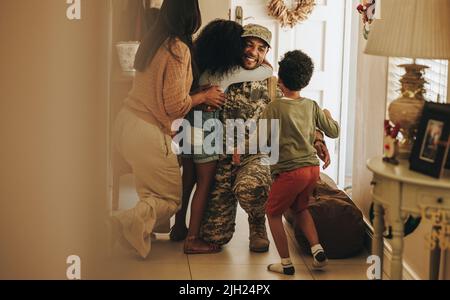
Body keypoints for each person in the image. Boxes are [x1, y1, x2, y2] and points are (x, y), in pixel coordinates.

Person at [199, 24, 331, 253]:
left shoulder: (273, 84)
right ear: (239, 46)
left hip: (255, 156)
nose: (253, 51)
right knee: (213, 237)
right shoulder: (222, 75)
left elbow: (300, 115)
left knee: (254, 186)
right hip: (220, 158)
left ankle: (257, 222)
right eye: (248, 44)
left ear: (266, 53)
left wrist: (318, 139)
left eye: (261, 48)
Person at [109, 0, 225, 259]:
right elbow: (174, 106)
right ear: (191, 15)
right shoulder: (177, 48)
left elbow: (164, 92)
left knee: (151, 194)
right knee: (173, 200)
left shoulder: (152, 41)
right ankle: (117, 222)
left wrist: (196, 93)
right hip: (148, 131)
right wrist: (204, 97)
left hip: (127, 123)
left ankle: (134, 237)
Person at [169, 20, 273, 254]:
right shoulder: (228, 72)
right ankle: (193, 239)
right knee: (204, 183)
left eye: (261, 48)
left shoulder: (200, 66)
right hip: (205, 129)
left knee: (188, 180)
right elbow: (268, 70)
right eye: (244, 45)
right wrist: (266, 64)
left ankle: (178, 227)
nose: (248, 52)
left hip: (187, 123)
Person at [262, 50, 340, 275]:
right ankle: (317, 250)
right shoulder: (312, 105)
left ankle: (286, 264)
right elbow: (333, 131)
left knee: (273, 212)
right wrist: (327, 114)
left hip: (290, 173)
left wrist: (240, 149)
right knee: (300, 208)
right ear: (306, 81)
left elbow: (262, 138)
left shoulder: (275, 107)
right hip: (312, 170)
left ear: (280, 81)